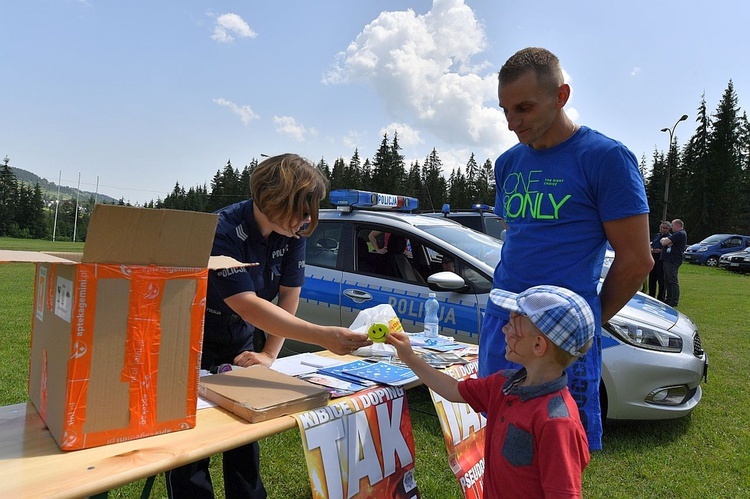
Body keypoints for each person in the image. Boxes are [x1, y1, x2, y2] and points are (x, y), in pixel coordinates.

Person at [166, 154, 371, 499]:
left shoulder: (293, 232)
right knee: (190, 447)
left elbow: (289, 294)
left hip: (240, 342)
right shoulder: (222, 230)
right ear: (272, 199)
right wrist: (322, 335)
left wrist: (269, 353)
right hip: (189, 341)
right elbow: (247, 304)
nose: (307, 220)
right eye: (301, 210)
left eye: (311, 211)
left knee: (246, 436)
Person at [479, 47, 653, 451]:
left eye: (523, 108)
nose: (512, 123)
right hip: (502, 327)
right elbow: (520, 241)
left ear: (562, 96)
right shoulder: (508, 163)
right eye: (505, 110)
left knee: (555, 455)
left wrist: (577, 327)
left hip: (556, 342)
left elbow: (637, 260)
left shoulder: (605, 158)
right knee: (501, 444)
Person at [387, 285, 593, 498]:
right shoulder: (503, 385)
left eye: (512, 325)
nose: (504, 330)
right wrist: (410, 357)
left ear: (538, 345)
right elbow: (452, 390)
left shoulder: (557, 423)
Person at [661, 218, 687, 307]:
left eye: (672, 225)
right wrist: (665, 240)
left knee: (672, 280)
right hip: (668, 260)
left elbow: (665, 242)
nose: (671, 227)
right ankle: (669, 298)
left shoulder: (680, 234)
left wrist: (665, 240)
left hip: (673, 260)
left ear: (677, 225)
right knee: (667, 280)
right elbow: (664, 240)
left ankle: (674, 300)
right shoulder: (676, 234)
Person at [648, 221, 671, 301]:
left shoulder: (670, 237)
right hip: (654, 258)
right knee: (652, 279)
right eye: (661, 227)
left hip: (662, 260)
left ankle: (661, 298)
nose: (661, 229)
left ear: (668, 229)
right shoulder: (657, 236)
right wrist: (651, 249)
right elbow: (652, 244)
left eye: (664, 228)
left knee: (661, 280)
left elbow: (670, 249)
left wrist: (661, 251)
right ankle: (651, 296)